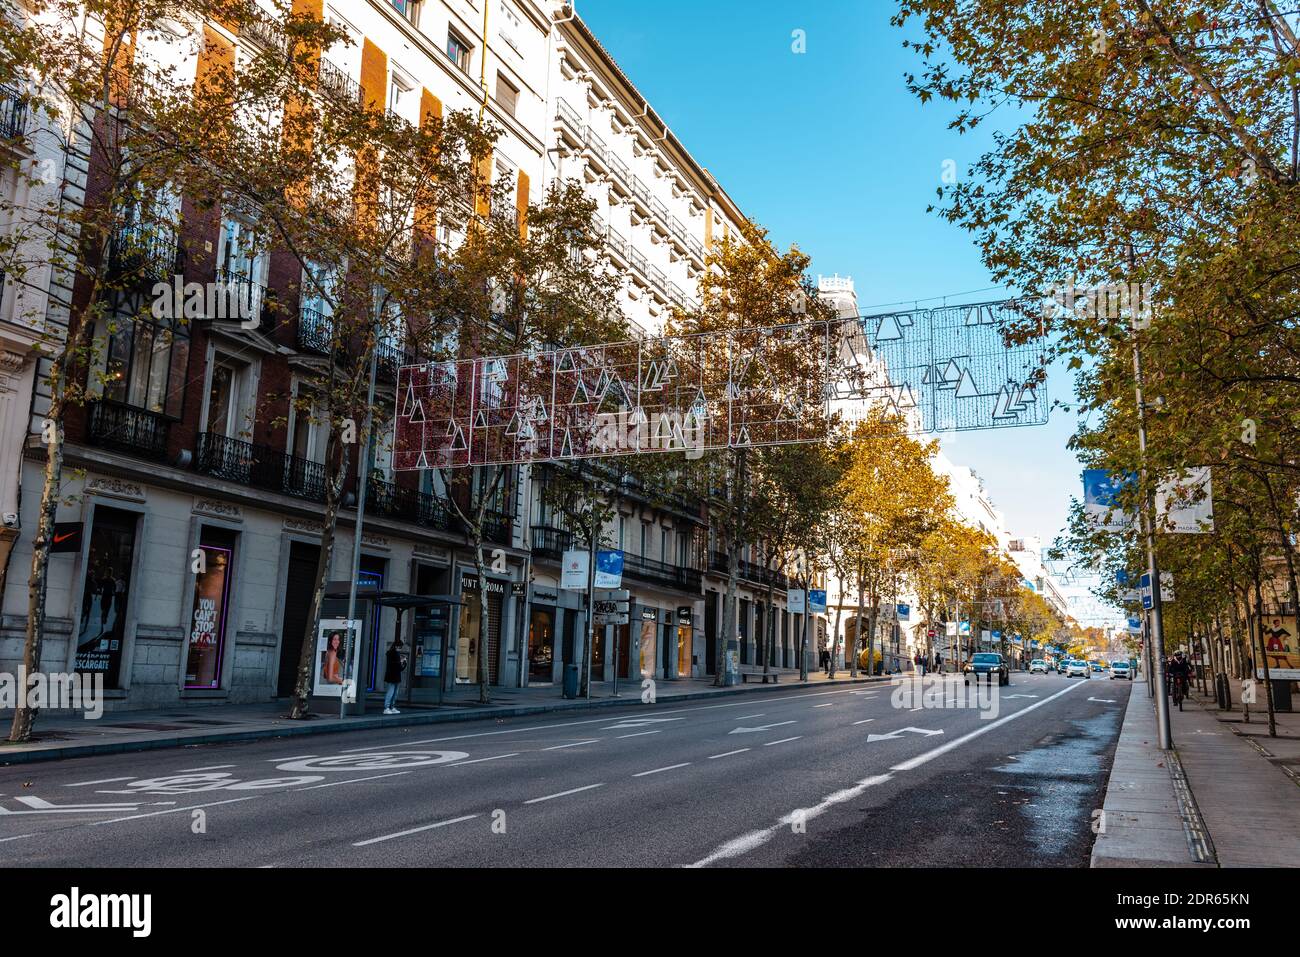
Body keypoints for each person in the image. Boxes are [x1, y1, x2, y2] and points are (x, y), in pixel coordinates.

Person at [383, 637, 407, 715]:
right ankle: (388, 707)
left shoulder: (391, 653)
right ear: (396, 646)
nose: (400, 649)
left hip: (393, 676)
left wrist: (401, 662)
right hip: (394, 676)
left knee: (393, 692)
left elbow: (397, 666)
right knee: (392, 692)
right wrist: (402, 662)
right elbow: (398, 667)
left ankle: (390, 707)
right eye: (400, 647)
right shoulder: (394, 654)